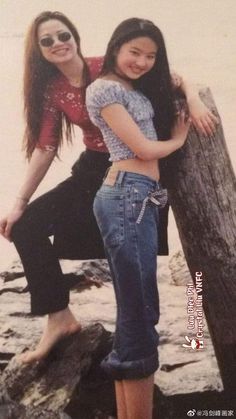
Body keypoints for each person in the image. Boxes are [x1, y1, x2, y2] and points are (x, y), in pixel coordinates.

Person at [0, 11, 217, 366]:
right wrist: (19, 202)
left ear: (75, 37)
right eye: (47, 40)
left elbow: (172, 79)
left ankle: (139, 342)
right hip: (92, 170)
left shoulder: (108, 67)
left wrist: (192, 100)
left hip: (132, 173)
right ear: (38, 50)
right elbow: (46, 147)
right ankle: (60, 319)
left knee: (129, 262)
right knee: (25, 226)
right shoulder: (52, 90)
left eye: (63, 35)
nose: (58, 44)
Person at [85, 17, 216, 419]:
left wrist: (192, 98)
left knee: (135, 312)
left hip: (138, 198)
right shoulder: (104, 88)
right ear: (115, 49)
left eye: (150, 55)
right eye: (134, 52)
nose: (142, 61)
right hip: (127, 195)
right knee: (141, 314)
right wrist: (178, 138)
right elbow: (141, 147)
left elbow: (179, 78)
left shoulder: (132, 86)